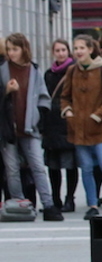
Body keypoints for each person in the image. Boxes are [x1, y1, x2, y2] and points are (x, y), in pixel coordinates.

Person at [59, 35, 102, 218]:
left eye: (82, 47)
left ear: (91, 49)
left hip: (98, 128)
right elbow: (64, 96)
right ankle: (93, 205)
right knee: (87, 168)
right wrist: (67, 111)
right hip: (78, 129)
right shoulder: (72, 71)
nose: (78, 51)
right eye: (76, 48)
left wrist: (98, 115)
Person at [0, 33, 61, 220]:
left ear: (23, 49)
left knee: (37, 166)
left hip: (30, 127)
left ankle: (49, 205)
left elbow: (43, 97)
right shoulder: (2, 69)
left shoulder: (33, 70)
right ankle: (19, 204)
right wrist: (6, 91)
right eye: (9, 49)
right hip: (8, 129)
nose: (11, 53)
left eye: (15, 49)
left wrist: (39, 118)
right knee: (12, 168)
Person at [42, 40, 78, 213]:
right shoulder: (48, 73)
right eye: (57, 50)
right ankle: (55, 198)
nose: (61, 53)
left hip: (68, 121)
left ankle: (70, 199)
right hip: (51, 123)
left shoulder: (74, 70)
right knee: (53, 165)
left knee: (70, 164)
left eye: (64, 50)